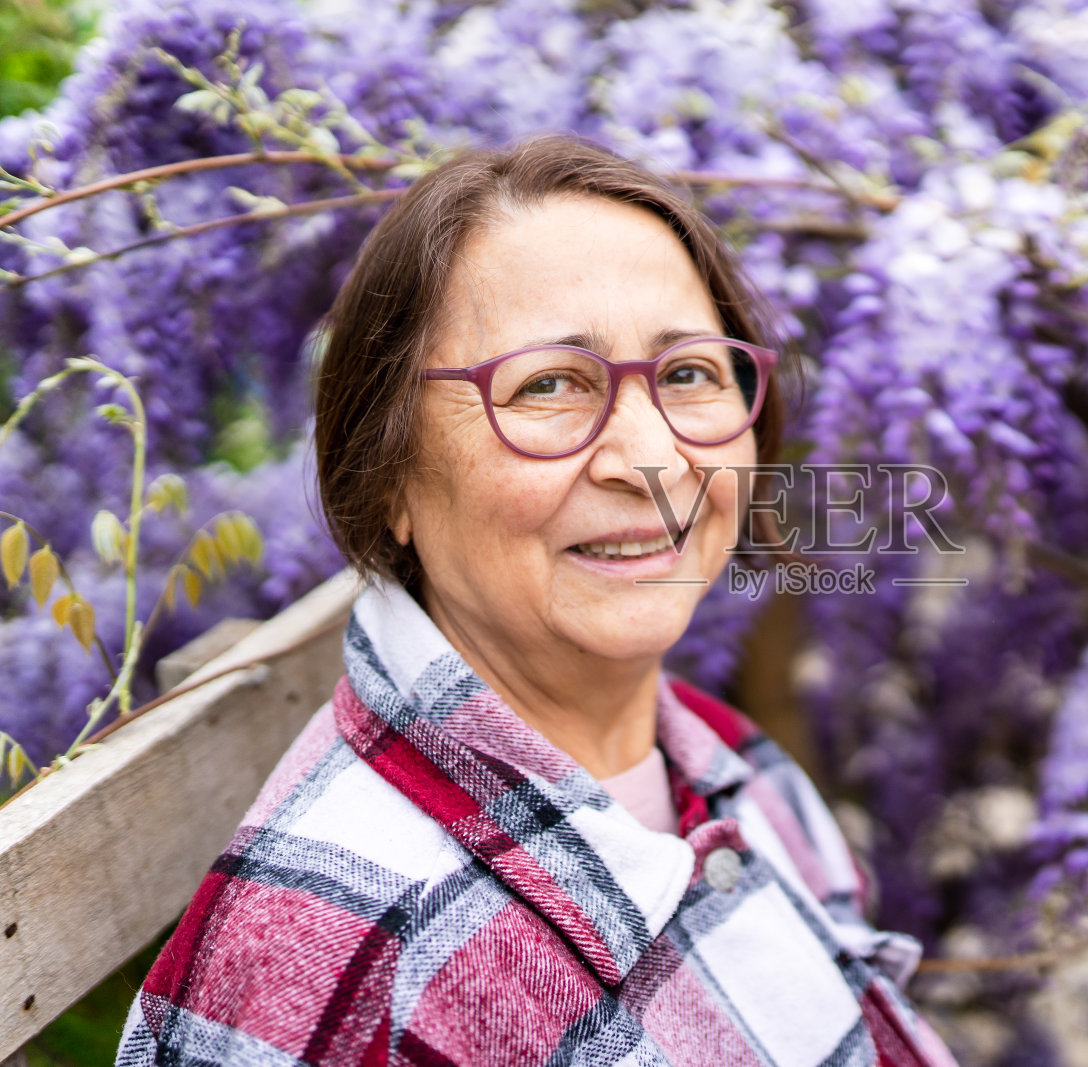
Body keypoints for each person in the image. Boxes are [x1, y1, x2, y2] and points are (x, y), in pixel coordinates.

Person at [115, 134, 958, 1066]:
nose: (655, 460)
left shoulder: (738, 769)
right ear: (387, 476)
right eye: (549, 385)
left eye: (688, 373)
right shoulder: (336, 965)